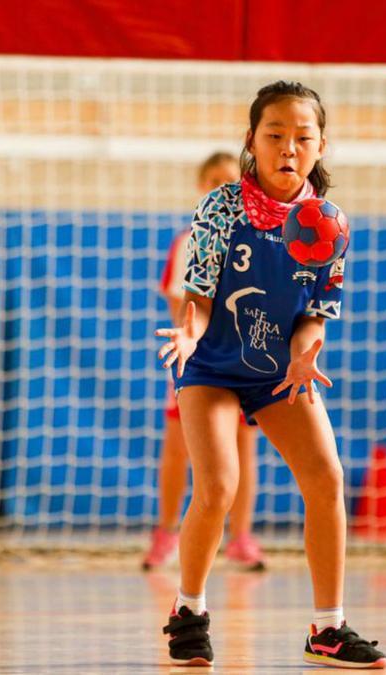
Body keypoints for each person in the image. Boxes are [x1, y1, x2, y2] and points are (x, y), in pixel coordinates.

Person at [154, 80, 386, 669]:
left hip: (276, 370)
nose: (288, 147)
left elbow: (315, 313)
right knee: (217, 489)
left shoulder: (329, 225)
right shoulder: (221, 206)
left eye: (301, 137)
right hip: (210, 364)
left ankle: (328, 629)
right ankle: (188, 611)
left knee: (326, 477)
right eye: (274, 135)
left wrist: (309, 350)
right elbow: (199, 294)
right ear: (251, 142)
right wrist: (187, 331)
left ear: (321, 146)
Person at [144, 152, 268, 573]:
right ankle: (165, 534)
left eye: (230, 181)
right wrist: (199, 340)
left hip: (245, 360)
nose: (222, 187)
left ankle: (241, 538)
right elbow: (181, 304)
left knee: (244, 448)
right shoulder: (188, 241)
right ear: (202, 187)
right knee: (179, 448)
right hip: (196, 359)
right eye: (214, 180)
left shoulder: (257, 241)